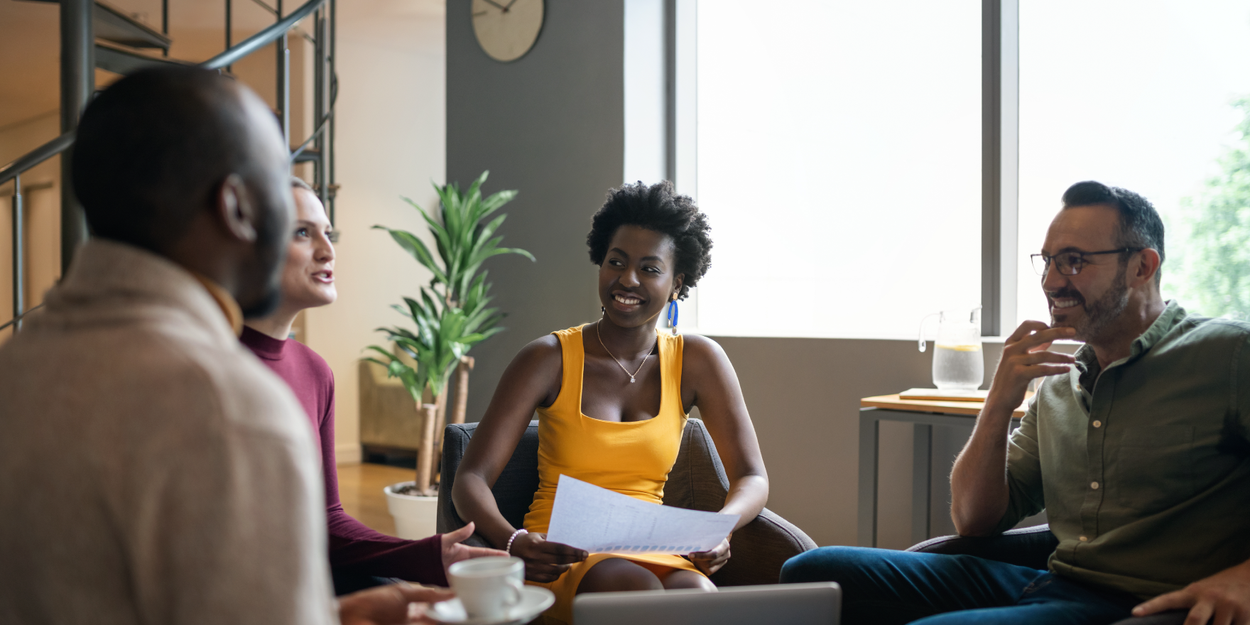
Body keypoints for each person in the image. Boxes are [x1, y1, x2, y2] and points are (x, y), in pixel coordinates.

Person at [0, 66, 448, 624]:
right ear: (237, 207)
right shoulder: (230, 408)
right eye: (281, 196)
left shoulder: (17, 365)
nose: (323, 245)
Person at [781, 181, 1250, 625]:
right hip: (1049, 580)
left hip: (1137, 604)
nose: (1050, 281)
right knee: (812, 572)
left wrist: (1242, 579)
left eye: (1073, 261)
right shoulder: (1058, 385)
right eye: (1046, 261)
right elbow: (974, 520)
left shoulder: (1228, 356)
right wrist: (999, 403)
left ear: (1142, 267)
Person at [451, 180, 770, 625]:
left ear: (677, 283)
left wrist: (718, 530)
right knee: (631, 592)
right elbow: (470, 479)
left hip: (657, 549)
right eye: (615, 262)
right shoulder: (547, 358)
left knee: (698, 597)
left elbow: (752, 476)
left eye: (649, 268)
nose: (627, 280)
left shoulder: (698, 360)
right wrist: (514, 541)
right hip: (561, 555)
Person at [241, 177, 504, 595]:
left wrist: (428, 555)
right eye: (302, 232)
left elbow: (327, 521)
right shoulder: (211, 369)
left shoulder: (314, 371)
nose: (327, 251)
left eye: (328, 233)